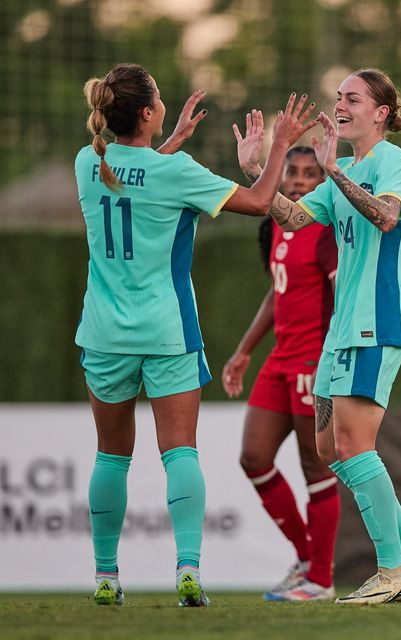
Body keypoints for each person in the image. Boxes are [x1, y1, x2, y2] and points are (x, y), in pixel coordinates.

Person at [74, 63, 317, 607]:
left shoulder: (89, 162)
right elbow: (258, 204)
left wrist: (172, 143)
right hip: (166, 333)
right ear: (147, 112)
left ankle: (106, 578)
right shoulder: (177, 172)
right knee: (179, 452)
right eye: (158, 97)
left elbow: (131, 183)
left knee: (111, 457)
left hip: (104, 334)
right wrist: (279, 145)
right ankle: (187, 570)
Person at [235, 68, 401, 605]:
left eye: (353, 99)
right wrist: (260, 168)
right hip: (342, 330)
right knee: (329, 448)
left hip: (378, 321)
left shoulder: (391, 161)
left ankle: (393, 571)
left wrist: (334, 172)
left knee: (355, 445)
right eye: (339, 98)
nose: (341, 105)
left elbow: (388, 218)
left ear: (380, 113)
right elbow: (290, 219)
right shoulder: (341, 170)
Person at [222, 145, 341, 601]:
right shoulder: (276, 224)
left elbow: (340, 293)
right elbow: (278, 292)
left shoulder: (325, 230)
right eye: (292, 172)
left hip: (314, 361)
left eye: (310, 175)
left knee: (316, 466)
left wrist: (329, 362)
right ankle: (307, 557)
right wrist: (243, 351)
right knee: (253, 456)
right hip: (279, 359)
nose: (298, 181)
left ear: (321, 183)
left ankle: (322, 581)